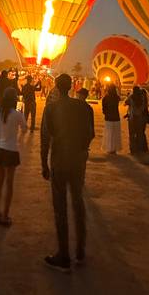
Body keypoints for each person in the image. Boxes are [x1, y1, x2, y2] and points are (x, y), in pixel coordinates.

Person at [41, 73, 95, 272]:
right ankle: (80, 249)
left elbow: (46, 138)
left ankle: (64, 255)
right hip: (78, 161)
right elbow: (90, 134)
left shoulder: (51, 108)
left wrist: (43, 164)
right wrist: (81, 152)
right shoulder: (85, 107)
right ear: (72, 86)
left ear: (56, 87)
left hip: (59, 161)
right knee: (78, 201)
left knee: (60, 207)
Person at [0, 87, 24, 225]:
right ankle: (5, 215)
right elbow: (25, 129)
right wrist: (21, 114)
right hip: (11, 150)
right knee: (9, 184)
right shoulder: (17, 114)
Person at [125, 86, 149, 154]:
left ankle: (133, 150)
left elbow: (126, 102)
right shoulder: (142, 98)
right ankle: (140, 149)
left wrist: (129, 95)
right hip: (140, 118)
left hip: (132, 118)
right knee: (140, 134)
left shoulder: (131, 97)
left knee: (132, 134)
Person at [101, 83, 121, 154]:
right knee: (115, 134)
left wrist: (106, 113)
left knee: (109, 133)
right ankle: (114, 149)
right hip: (116, 117)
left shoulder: (106, 98)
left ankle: (109, 148)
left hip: (108, 118)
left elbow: (104, 108)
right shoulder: (116, 97)